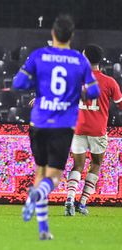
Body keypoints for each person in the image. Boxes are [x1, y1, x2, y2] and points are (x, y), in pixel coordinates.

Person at [13, 15, 100, 240]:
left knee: (40, 172)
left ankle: (42, 229)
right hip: (62, 126)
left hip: (38, 123)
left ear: (53, 34)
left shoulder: (39, 55)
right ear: (71, 36)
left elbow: (18, 84)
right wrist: (74, 92)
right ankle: (37, 197)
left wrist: (42, 86)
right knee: (54, 176)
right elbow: (93, 92)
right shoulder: (79, 61)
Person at [65, 44, 122, 216]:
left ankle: (69, 199)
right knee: (96, 164)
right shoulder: (109, 82)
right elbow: (120, 105)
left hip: (79, 129)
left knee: (78, 164)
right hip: (98, 131)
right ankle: (81, 203)